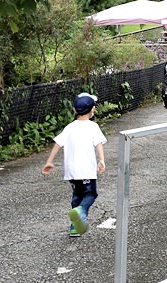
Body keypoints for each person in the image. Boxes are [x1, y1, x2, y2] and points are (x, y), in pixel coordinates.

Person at [41, 92, 107, 237]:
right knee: (90, 194)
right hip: (86, 170)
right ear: (92, 110)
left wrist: (49, 162)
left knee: (77, 195)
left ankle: (74, 227)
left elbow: (57, 144)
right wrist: (101, 160)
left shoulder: (69, 127)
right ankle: (81, 211)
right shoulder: (93, 126)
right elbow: (99, 144)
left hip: (71, 171)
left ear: (75, 110)